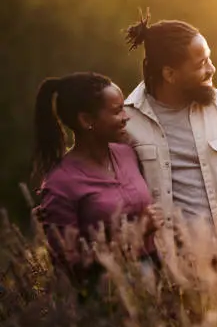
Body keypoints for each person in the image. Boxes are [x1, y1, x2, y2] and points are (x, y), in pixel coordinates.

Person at [122, 11, 217, 245]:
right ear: (170, 74)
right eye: (201, 64)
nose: (212, 69)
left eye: (209, 59)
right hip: (163, 268)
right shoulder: (127, 121)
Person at [33, 72, 162, 294]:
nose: (126, 116)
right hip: (107, 298)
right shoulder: (60, 183)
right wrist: (135, 233)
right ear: (86, 120)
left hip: (154, 282)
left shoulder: (127, 154)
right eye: (116, 111)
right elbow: (68, 268)